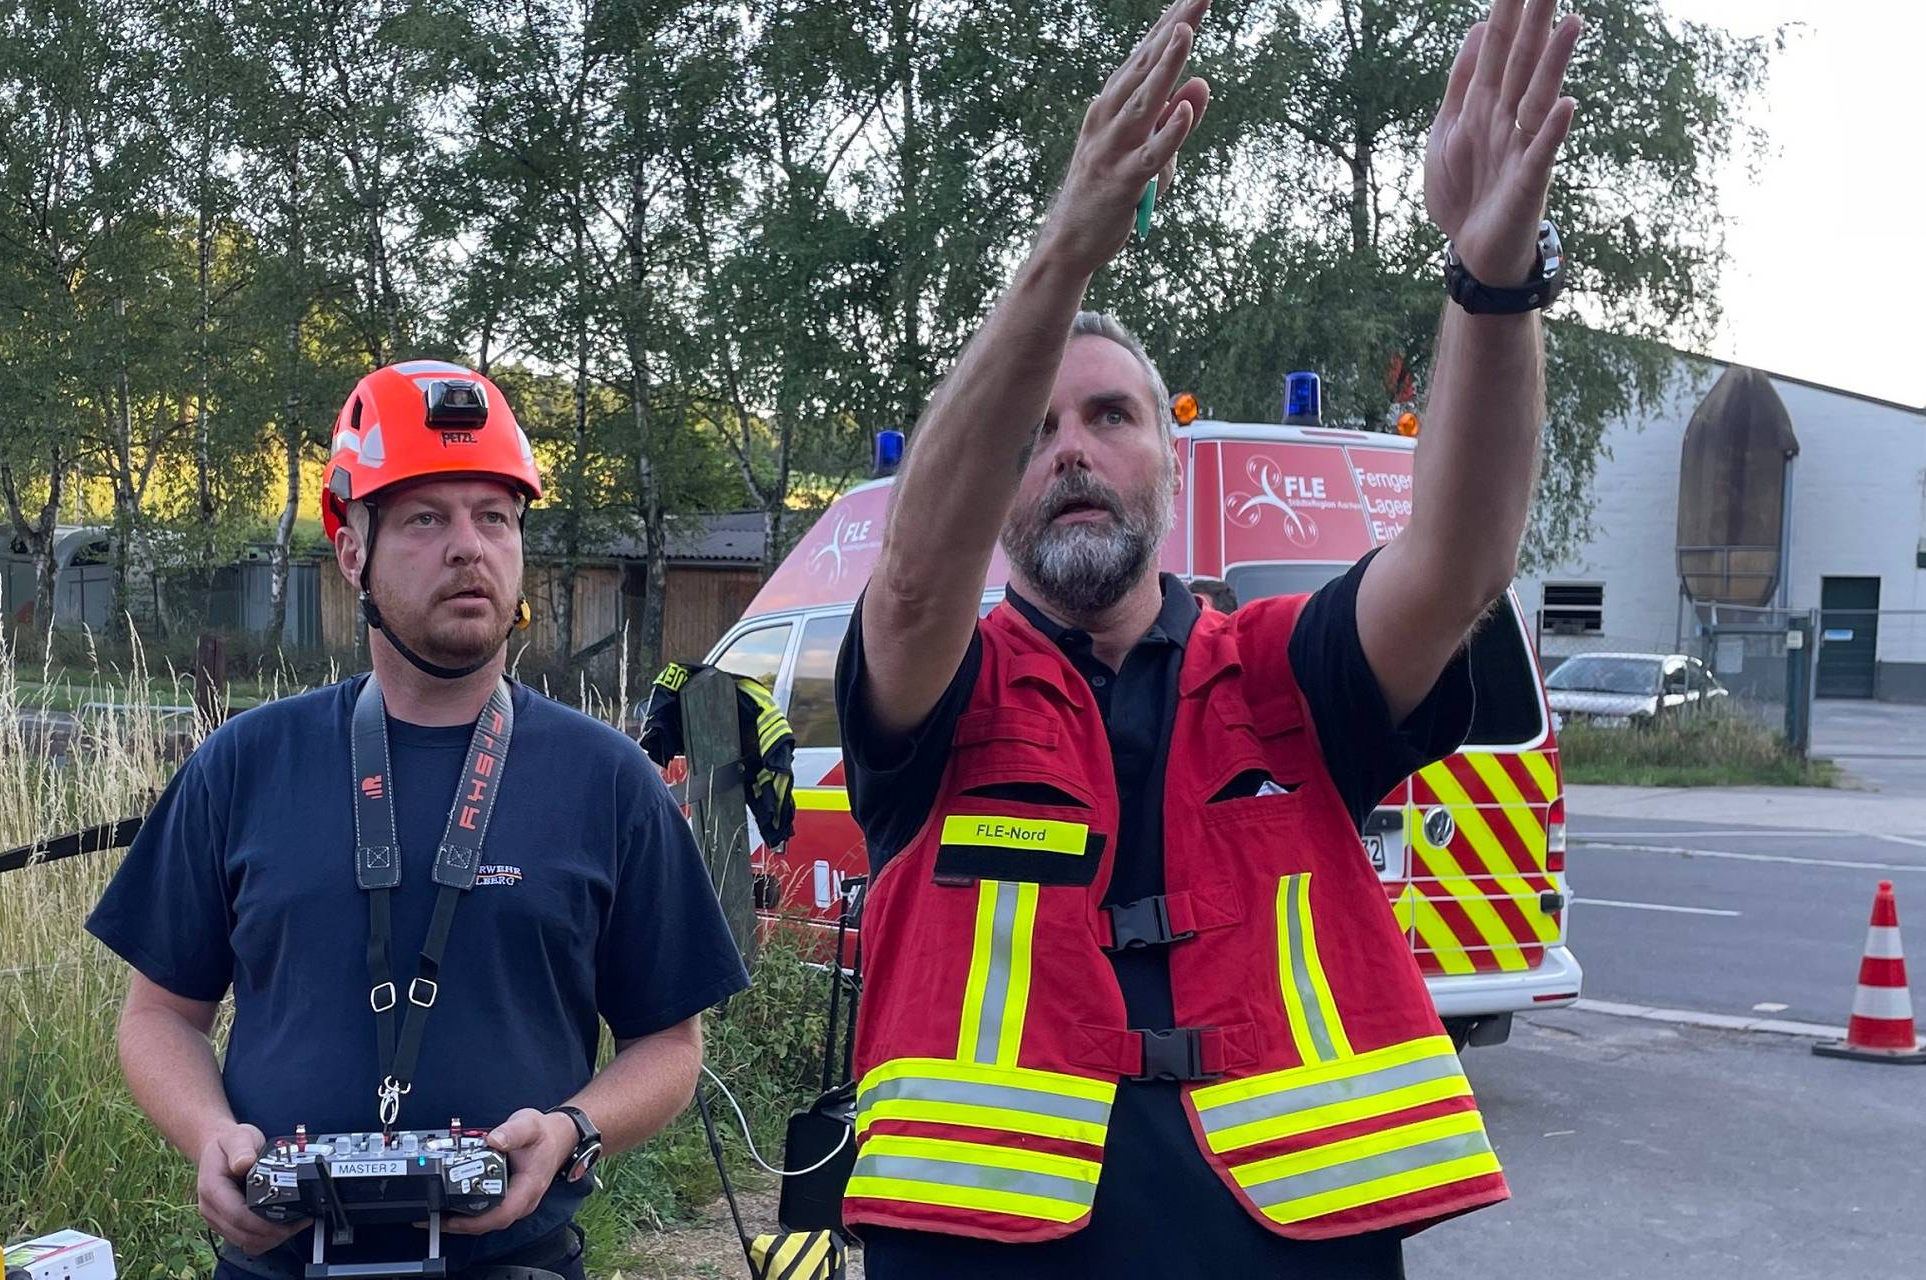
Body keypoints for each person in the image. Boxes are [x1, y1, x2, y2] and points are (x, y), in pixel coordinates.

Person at [834, 1, 1581, 1275]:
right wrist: (1066, 248)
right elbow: (907, 587)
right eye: (1032, 430)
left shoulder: (1286, 671)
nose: (1070, 449)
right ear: (990, 484)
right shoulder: (942, 688)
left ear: (1170, 460)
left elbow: (1458, 564)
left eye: (1109, 415)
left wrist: (1491, 281)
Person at [87, 361, 749, 1280]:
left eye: (496, 517)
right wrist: (209, 1135)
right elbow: (159, 1016)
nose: (469, 548)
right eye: (426, 518)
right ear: (350, 550)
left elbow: (670, 1044)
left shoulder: (609, 780)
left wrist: (574, 1129)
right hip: (280, 1261)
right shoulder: (243, 764)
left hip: (514, 1262)